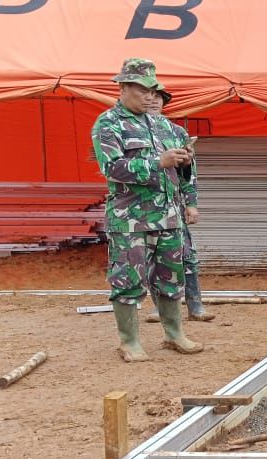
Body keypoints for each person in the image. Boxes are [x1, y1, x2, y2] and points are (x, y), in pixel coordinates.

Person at [91, 58, 202, 362]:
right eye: (142, 90)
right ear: (124, 87)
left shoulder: (166, 126)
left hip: (169, 217)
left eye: (153, 90)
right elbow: (111, 168)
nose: (149, 96)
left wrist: (184, 162)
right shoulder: (108, 124)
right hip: (131, 220)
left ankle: (174, 334)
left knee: (171, 277)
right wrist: (157, 162)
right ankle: (129, 341)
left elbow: (184, 175)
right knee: (127, 280)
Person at [143, 87, 215, 323]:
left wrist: (191, 204)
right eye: (149, 96)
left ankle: (195, 306)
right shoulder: (132, 131)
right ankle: (158, 306)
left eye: (158, 97)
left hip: (172, 206)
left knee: (186, 255)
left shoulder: (176, 131)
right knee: (152, 258)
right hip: (142, 208)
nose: (153, 101)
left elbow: (187, 173)